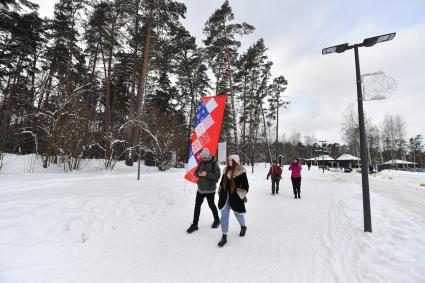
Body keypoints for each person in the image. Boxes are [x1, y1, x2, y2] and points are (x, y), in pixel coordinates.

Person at [217, 154, 249, 247]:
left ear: (235, 161)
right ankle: (224, 236)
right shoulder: (225, 170)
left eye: (231, 160)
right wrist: (220, 190)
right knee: (224, 216)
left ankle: (243, 226)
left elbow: (246, 186)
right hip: (225, 198)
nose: (229, 162)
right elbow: (221, 183)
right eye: (229, 160)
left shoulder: (241, 171)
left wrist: (240, 193)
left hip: (235, 197)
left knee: (238, 215)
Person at [186, 148, 221, 234]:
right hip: (200, 189)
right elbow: (196, 173)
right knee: (197, 206)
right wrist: (199, 174)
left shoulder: (214, 163)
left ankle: (217, 220)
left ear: (208, 156)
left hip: (210, 189)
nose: (203, 159)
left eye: (205, 158)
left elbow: (217, 176)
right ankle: (195, 224)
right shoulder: (201, 162)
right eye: (202, 157)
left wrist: (207, 174)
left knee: (211, 205)